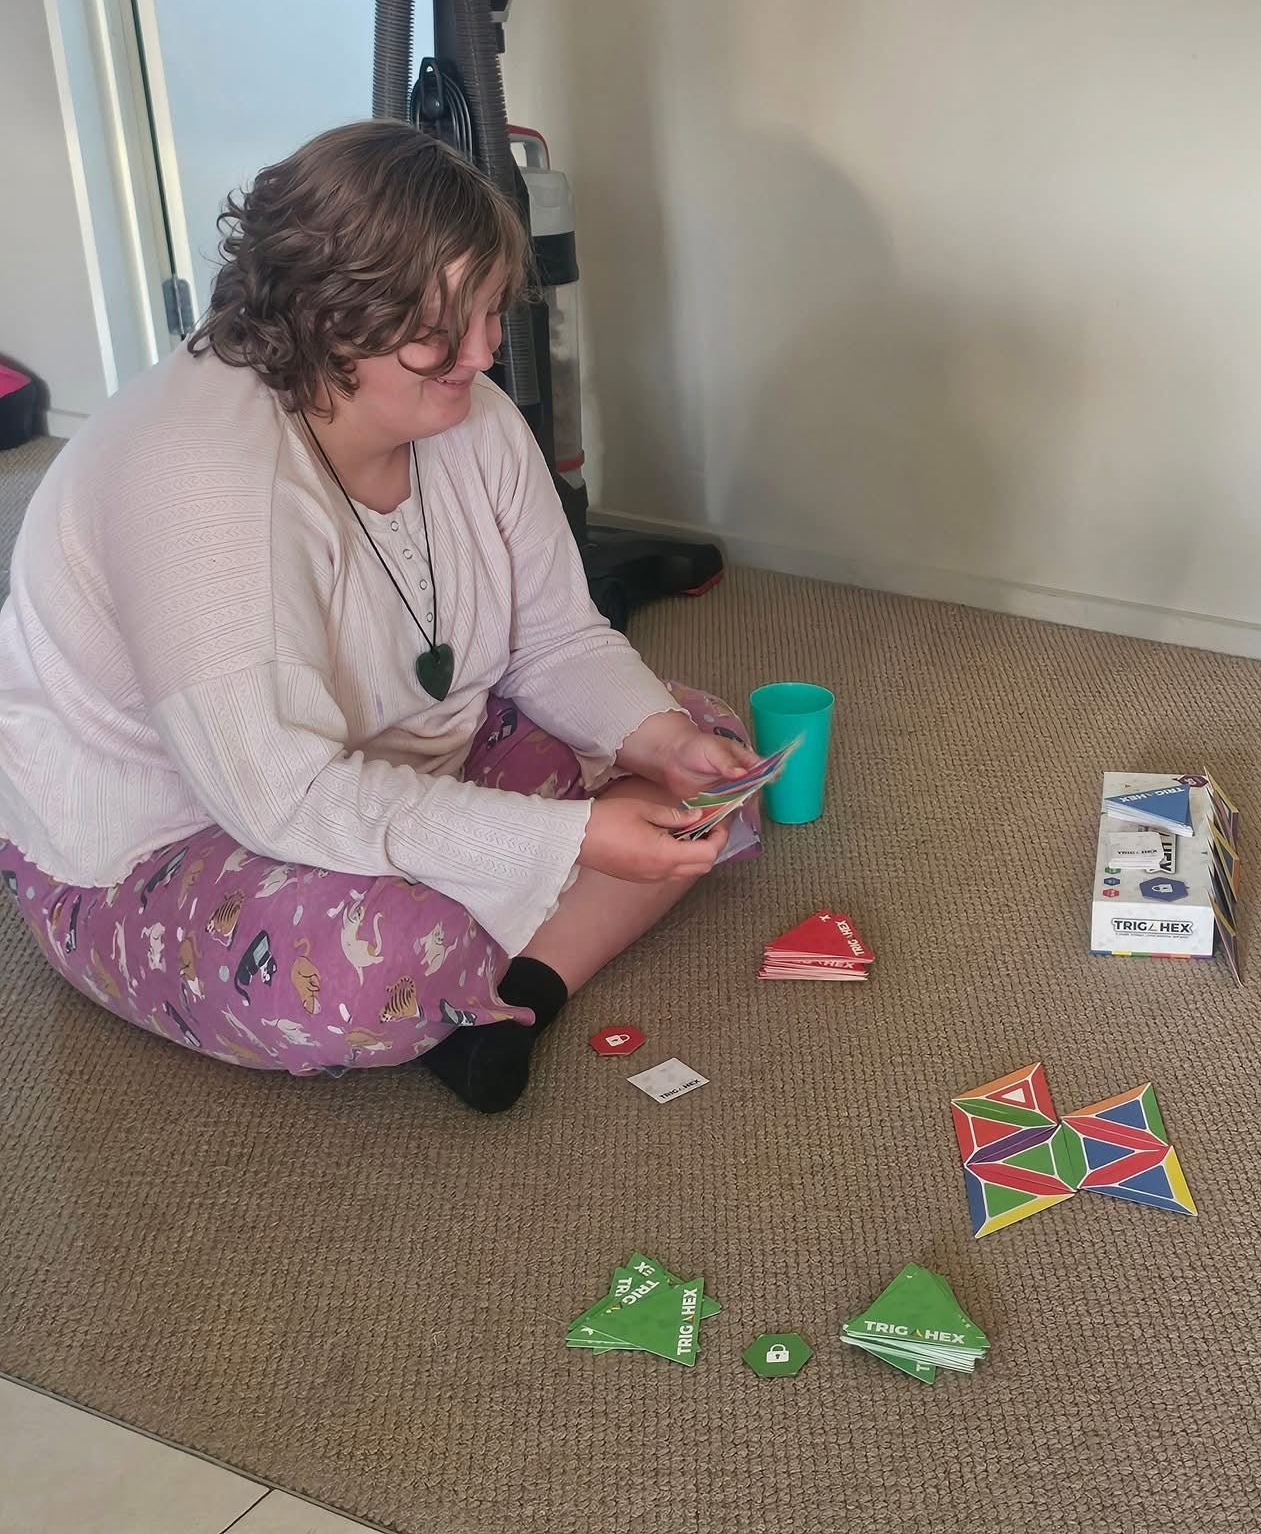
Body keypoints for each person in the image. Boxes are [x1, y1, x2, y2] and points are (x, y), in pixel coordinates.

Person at [0, 121, 759, 1113]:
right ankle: (503, 931)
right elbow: (281, 800)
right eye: (444, 329)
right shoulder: (194, 480)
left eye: (491, 313)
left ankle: (523, 995)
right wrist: (568, 844)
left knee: (707, 756)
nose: (485, 354)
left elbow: (556, 638)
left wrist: (655, 737)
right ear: (324, 316)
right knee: (370, 966)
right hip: (174, 830)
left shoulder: (464, 416)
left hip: (391, 751)